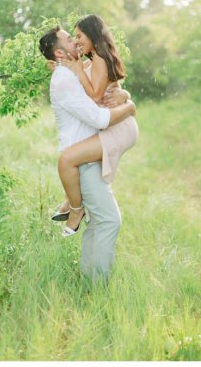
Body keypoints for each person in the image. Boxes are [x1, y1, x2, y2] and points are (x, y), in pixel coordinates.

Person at [39, 26, 136, 281]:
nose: (75, 41)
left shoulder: (70, 72)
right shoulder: (64, 78)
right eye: (70, 39)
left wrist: (124, 95)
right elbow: (98, 117)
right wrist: (129, 107)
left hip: (90, 153)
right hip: (84, 159)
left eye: (77, 36)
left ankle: (89, 280)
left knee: (100, 222)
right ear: (60, 52)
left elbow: (103, 90)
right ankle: (97, 287)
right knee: (109, 221)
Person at [50, 15, 139, 236]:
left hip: (118, 126)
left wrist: (79, 70)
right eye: (74, 37)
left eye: (79, 36)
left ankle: (75, 209)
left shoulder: (99, 58)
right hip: (113, 123)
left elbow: (97, 95)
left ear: (92, 35)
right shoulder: (92, 60)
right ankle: (73, 202)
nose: (77, 41)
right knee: (77, 163)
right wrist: (60, 64)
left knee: (68, 159)